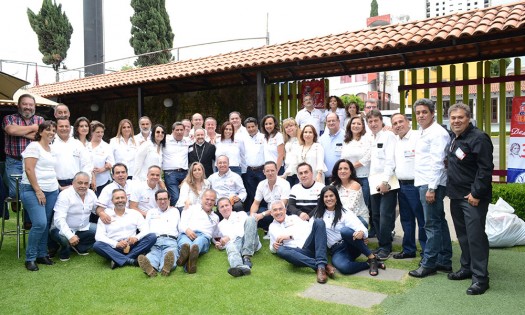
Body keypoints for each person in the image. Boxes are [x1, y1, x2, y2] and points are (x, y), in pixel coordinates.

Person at [446, 103, 493, 295]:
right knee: (463, 236)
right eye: (453, 118)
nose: (456, 121)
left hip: (473, 198)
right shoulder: (453, 138)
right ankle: (466, 268)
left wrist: (476, 193)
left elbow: (485, 169)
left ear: (468, 118)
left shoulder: (479, 138)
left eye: (460, 117)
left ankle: (481, 279)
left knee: (476, 237)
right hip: (456, 196)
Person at [409, 98, 453, 278]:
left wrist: (432, 188)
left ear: (433, 113)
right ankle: (444, 260)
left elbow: (437, 163)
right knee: (438, 221)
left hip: (431, 183)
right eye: (418, 112)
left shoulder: (437, 133)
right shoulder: (423, 131)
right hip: (424, 181)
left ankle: (429, 263)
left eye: (424, 112)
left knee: (431, 224)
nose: (421, 115)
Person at [311, 186, 384, 276]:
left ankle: (371, 257)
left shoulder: (344, 211)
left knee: (345, 231)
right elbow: (309, 231)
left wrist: (361, 233)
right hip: (337, 249)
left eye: (331, 196)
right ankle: (369, 264)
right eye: (326, 196)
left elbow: (360, 227)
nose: (329, 199)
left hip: (352, 244)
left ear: (336, 197)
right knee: (344, 267)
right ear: (322, 199)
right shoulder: (317, 214)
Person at [20, 121, 60, 271]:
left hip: (51, 190)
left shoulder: (51, 149)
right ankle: (30, 257)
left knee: (46, 223)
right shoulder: (33, 147)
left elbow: (50, 170)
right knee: (40, 223)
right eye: (48, 130)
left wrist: (57, 186)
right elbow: (29, 170)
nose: (52, 132)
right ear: (41, 131)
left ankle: (42, 255)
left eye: (53, 130)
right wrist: (38, 190)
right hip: (32, 189)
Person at [268, 200, 335, 284]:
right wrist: (274, 247)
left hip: (309, 245)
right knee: (281, 250)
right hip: (297, 253)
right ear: (271, 213)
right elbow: (272, 247)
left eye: (280, 209)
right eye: (275, 210)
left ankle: (321, 265)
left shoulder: (294, 218)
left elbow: (307, 229)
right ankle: (322, 266)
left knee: (319, 222)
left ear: (285, 210)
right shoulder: (272, 227)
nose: (278, 212)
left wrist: (290, 236)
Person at [391, 113, 426, 259]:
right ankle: (409, 249)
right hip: (401, 185)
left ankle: (426, 251)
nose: (398, 125)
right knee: (406, 219)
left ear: (408, 122)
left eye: (401, 121)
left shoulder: (418, 137)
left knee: (422, 219)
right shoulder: (396, 140)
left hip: (416, 185)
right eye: (395, 123)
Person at [93, 189, 156, 269]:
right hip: (114, 247)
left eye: (122, 198)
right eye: (117, 198)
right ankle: (132, 261)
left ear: (126, 199)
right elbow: (99, 236)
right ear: (112, 201)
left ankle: (119, 260)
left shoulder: (134, 213)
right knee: (97, 245)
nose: (120, 200)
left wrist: (136, 238)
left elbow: (146, 229)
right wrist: (116, 244)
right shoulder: (106, 215)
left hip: (132, 245)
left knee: (152, 236)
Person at [2, 94, 44, 207]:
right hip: (14, 161)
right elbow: (11, 130)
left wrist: (20, 131)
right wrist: (33, 128)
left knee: (32, 188)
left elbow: (41, 136)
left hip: (34, 162)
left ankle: (27, 221)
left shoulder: (40, 120)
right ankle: (20, 204)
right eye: (25, 104)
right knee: (15, 192)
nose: (28, 107)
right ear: (19, 105)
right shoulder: (9, 118)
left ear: (35, 106)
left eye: (31, 104)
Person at [367, 109, 397, 260]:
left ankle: (386, 247)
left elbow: (390, 160)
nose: (373, 124)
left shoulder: (388, 135)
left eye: (375, 121)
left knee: (385, 214)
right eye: (370, 121)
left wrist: (385, 181)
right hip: (373, 180)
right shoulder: (370, 138)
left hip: (387, 180)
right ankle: (382, 244)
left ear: (381, 121)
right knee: (377, 215)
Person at [50, 172, 97, 261]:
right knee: (64, 238)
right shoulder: (65, 195)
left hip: (83, 227)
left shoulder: (91, 194)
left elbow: (97, 209)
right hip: (60, 228)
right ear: (73, 183)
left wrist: (105, 214)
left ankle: (79, 248)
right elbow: (59, 220)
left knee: (101, 231)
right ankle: (64, 252)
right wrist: (70, 235)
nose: (83, 186)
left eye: (86, 183)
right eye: (80, 183)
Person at [137, 189, 181, 277]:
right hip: (155, 240)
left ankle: (166, 267)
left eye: (165, 199)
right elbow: (146, 228)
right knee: (153, 255)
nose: (163, 201)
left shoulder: (175, 211)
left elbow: (179, 227)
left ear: (169, 199)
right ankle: (150, 267)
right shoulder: (150, 212)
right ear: (156, 200)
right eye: (160, 199)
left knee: (170, 253)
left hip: (170, 240)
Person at [177, 189, 219, 274]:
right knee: (185, 243)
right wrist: (187, 230)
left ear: (215, 202)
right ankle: (188, 258)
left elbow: (214, 234)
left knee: (199, 242)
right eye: (207, 199)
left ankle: (185, 256)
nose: (209, 202)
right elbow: (181, 224)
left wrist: (218, 243)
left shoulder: (215, 217)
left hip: (203, 236)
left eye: (212, 200)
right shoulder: (191, 208)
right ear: (201, 199)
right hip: (186, 234)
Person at [215, 197, 260, 277]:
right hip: (237, 245)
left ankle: (246, 256)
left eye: (227, 205)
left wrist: (229, 237)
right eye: (222, 207)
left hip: (251, 241)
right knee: (230, 245)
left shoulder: (241, 214)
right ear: (219, 210)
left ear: (231, 206)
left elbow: (243, 230)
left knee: (250, 219)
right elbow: (226, 242)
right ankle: (239, 267)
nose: (225, 208)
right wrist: (221, 245)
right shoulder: (220, 225)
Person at [341, 116, 372, 213]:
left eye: (359, 124)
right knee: (350, 206)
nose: (356, 126)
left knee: (364, 207)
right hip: (349, 179)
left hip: (363, 178)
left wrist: (350, 167)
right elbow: (343, 158)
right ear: (350, 125)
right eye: (353, 123)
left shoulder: (367, 139)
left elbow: (367, 158)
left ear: (363, 126)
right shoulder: (346, 141)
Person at [250, 161, 290, 233]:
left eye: (272, 170)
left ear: (277, 171)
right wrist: (252, 216)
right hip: (269, 212)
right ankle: (267, 229)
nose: (270, 173)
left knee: (262, 213)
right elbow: (256, 203)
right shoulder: (261, 184)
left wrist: (263, 214)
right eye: (267, 171)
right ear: (264, 172)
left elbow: (281, 206)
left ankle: (275, 229)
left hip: (282, 212)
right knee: (251, 215)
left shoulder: (285, 184)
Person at [52, 118, 93, 187]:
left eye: (66, 126)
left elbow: (86, 165)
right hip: (55, 184)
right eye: (61, 126)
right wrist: (57, 185)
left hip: (76, 183)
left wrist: (84, 181)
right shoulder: (51, 143)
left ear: (70, 128)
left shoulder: (78, 144)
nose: (64, 128)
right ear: (56, 128)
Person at [330, 159, 369, 226]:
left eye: (346, 168)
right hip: (339, 217)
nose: (343, 171)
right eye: (340, 169)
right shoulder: (333, 186)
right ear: (336, 171)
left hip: (358, 217)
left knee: (345, 231)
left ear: (351, 171)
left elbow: (350, 208)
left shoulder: (355, 185)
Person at [162, 122, 191, 206]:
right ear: (172, 131)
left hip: (184, 173)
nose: (179, 132)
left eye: (181, 130)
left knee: (185, 196)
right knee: (175, 197)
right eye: (177, 130)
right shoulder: (165, 140)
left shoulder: (187, 141)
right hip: (170, 174)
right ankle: (176, 215)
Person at [242, 117, 265, 211]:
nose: (251, 129)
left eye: (253, 126)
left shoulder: (263, 137)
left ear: (257, 126)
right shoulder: (244, 139)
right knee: (252, 193)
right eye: (248, 127)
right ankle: (253, 213)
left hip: (262, 170)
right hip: (250, 170)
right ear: (246, 128)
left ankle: (264, 214)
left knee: (263, 192)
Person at [87, 121, 114, 196]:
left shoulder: (107, 146)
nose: (100, 134)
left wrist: (102, 169)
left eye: (102, 132)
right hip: (86, 180)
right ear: (91, 132)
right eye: (97, 132)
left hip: (103, 181)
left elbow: (111, 162)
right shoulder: (85, 145)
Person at [319, 113, 344, 185]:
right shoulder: (322, 138)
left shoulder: (346, 136)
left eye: (333, 120)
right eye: (329, 121)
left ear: (338, 121)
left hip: (341, 179)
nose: (331, 123)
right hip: (326, 179)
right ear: (326, 123)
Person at [282, 117, 300, 186]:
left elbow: (296, 159)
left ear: (296, 127)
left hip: (297, 172)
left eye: (291, 126)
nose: (289, 128)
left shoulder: (300, 141)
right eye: (286, 127)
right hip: (288, 173)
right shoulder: (287, 141)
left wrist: (285, 173)